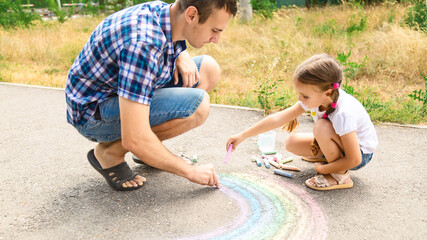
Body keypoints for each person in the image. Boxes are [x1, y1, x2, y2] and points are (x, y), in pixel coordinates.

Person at [65, 0, 237, 191]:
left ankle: (148, 152)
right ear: (191, 15)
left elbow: (170, 30)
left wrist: (181, 54)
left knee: (207, 70)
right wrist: (190, 171)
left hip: (121, 90)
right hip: (93, 113)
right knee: (198, 106)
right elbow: (134, 138)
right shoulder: (143, 45)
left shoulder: (167, 14)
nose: (216, 39)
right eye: (214, 30)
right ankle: (109, 154)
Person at [227, 54, 378, 191]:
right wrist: (242, 135)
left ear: (328, 92)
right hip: (342, 146)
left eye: (305, 96)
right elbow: (278, 118)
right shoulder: (318, 98)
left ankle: (340, 176)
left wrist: (325, 169)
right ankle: (331, 157)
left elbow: (354, 159)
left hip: (360, 154)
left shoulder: (344, 113)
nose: (300, 99)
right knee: (291, 142)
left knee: (321, 127)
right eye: (299, 94)